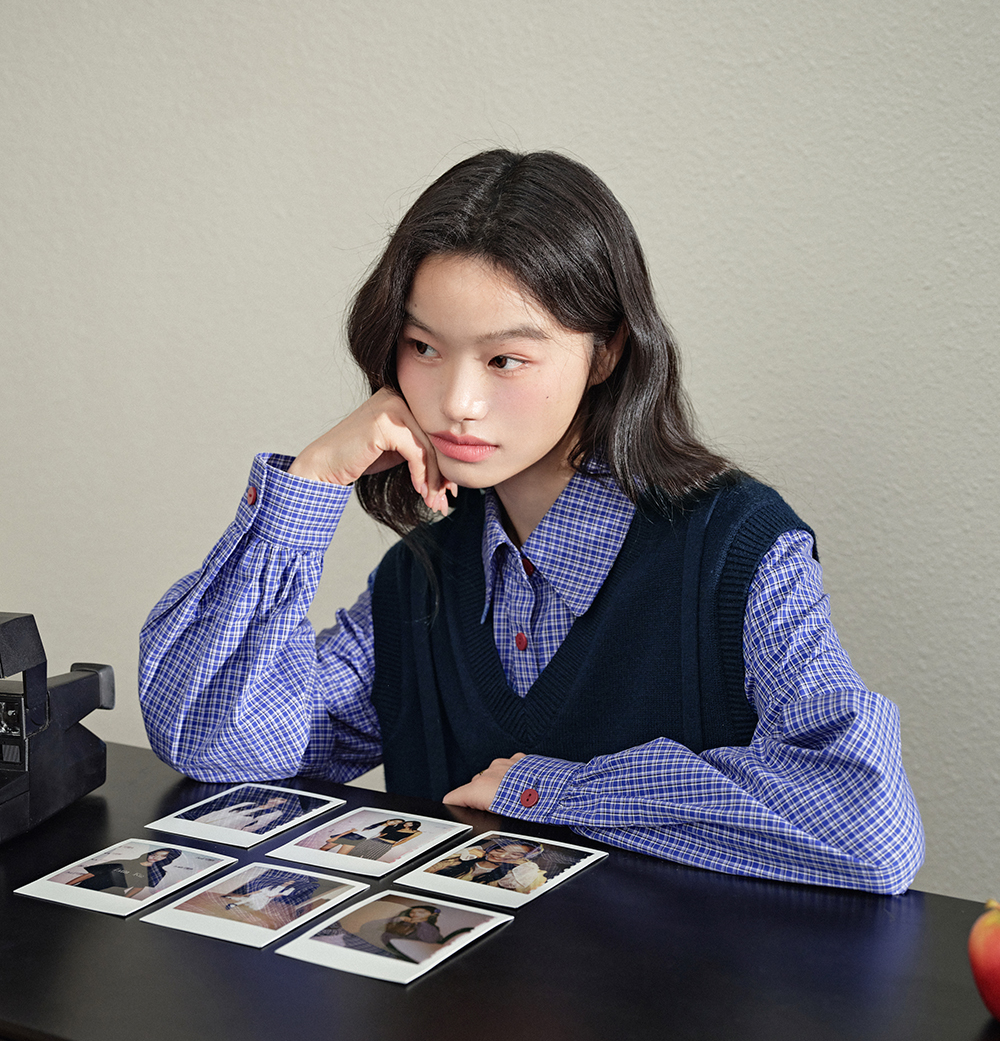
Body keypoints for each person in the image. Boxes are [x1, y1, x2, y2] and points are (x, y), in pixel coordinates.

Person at [139, 149, 924, 896]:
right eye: (424, 347)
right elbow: (217, 745)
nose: (456, 402)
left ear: (607, 349)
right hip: (442, 1025)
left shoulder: (739, 552)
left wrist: (546, 790)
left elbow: (869, 824)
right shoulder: (422, 576)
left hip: (668, 1031)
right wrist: (310, 484)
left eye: (505, 359)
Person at [65, 847, 182, 897]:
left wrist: (126, 899)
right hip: (86, 887)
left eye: (161, 856)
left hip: (111, 895)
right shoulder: (123, 862)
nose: (155, 857)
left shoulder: (158, 873)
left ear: (165, 859)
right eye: (155, 854)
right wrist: (68, 886)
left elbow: (139, 887)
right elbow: (90, 874)